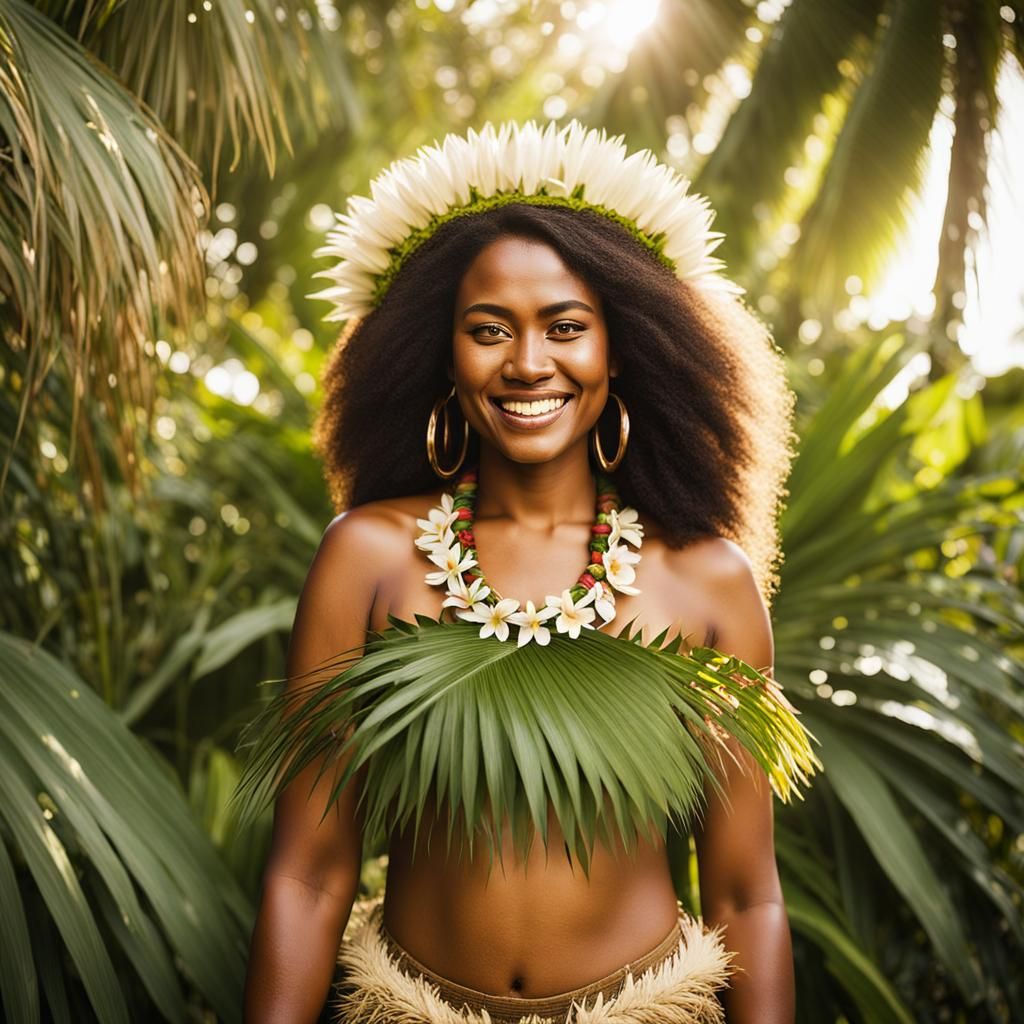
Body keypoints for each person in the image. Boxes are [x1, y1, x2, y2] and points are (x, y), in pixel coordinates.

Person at [236, 120, 821, 1024]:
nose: (528, 363)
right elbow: (309, 874)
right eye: (488, 330)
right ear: (444, 353)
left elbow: (747, 896)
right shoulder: (370, 557)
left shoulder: (706, 580)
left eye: (565, 327)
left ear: (619, 348)